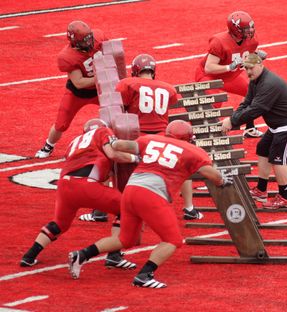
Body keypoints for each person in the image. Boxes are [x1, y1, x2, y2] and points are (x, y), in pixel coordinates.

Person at [68, 120, 232, 288]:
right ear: (188, 138)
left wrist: (112, 141)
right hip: (151, 195)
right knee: (173, 240)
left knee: (125, 239)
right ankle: (145, 275)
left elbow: (121, 145)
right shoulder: (193, 151)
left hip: (130, 191)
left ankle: (81, 255)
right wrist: (222, 180)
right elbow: (210, 174)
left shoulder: (151, 139)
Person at [80, 53, 203, 221]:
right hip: (162, 138)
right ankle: (190, 208)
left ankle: (100, 211)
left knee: (107, 158)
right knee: (181, 162)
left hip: (138, 139)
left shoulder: (127, 84)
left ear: (136, 71)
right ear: (153, 71)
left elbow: (119, 109)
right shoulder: (168, 88)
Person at [21, 119, 138, 269]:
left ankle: (29, 256)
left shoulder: (74, 142)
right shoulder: (102, 131)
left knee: (59, 224)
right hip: (86, 185)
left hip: (64, 186)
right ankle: (114, 255)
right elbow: (112, 154)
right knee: (126, 208)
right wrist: (135, 158)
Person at [221, 53, 287, 208]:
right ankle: (261, 190)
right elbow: (246, 103)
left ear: (261, 65)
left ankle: (285, 198)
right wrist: (233, 118)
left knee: (277, 159)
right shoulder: (255, 81)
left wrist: (232, 121)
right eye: (246, 68)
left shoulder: (269, 83)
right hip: (278, 124)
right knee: (262, 148)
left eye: (251, 68)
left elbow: (256, 109)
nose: (248, 71)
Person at [35, 20, 107, 158]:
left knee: (119, 111)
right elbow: (79, 82)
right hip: (78, 93)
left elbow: (112, 54)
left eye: (89, 38)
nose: (89, 42)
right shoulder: (67, 57)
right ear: (74, 42)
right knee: (61, 124)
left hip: (100, 89)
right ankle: (48, 146)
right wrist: (102, 76)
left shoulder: (99, 37)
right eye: (84, 41)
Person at [195, 11, 267, 138]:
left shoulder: (252, 39)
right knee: (214, 102)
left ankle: (249, 129)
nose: (250, 31)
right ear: (236, 30)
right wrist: (230, 66)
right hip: (209, 76)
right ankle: (198, 133)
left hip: (230, 76)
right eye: (246, 29)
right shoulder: (219, 41)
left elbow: (250, 53)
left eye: (251, 27)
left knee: (251, 92)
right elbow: (209, 68)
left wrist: (256, 56)